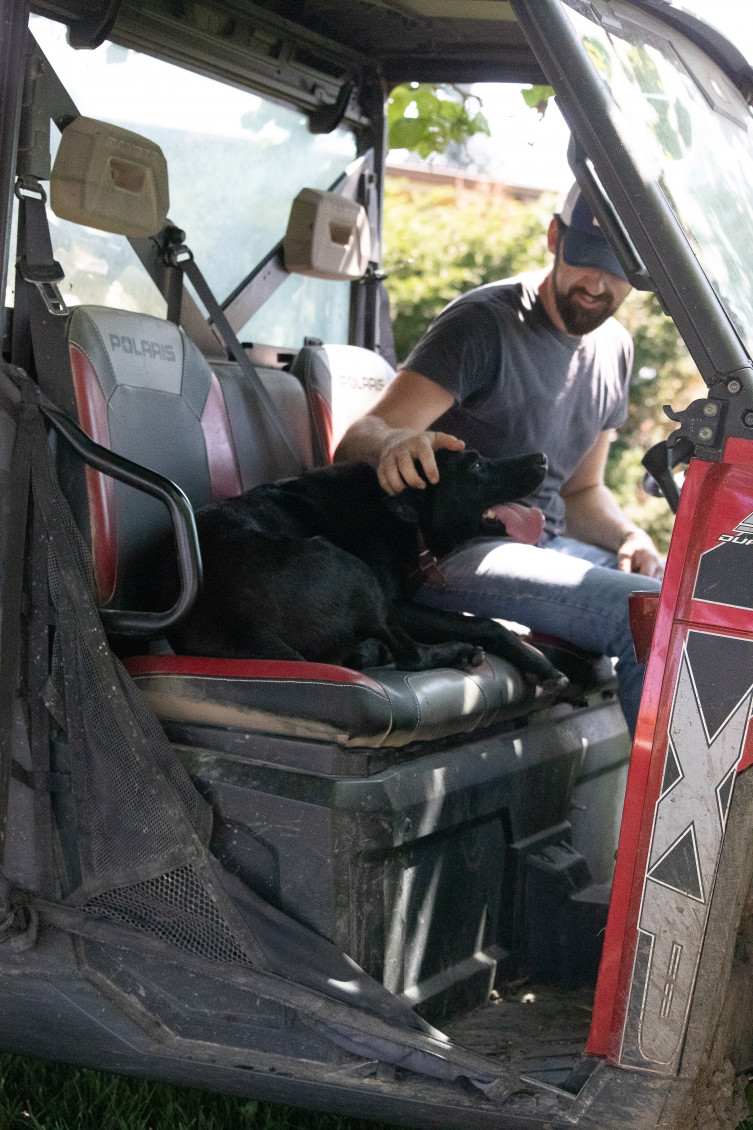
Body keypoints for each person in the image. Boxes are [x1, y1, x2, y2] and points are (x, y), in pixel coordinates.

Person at [333, 183, 663, 737]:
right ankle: (673, 818)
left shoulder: (616, 349)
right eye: (585, 260)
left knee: (698, 605)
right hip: (453, 549)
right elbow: (361, 437)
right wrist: (393, 443)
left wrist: (630, 538)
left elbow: (580, 494)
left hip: (547, 546)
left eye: (619, 271)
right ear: (555, 238)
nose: (598, 284)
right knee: (646, 618)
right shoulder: (484, 323)